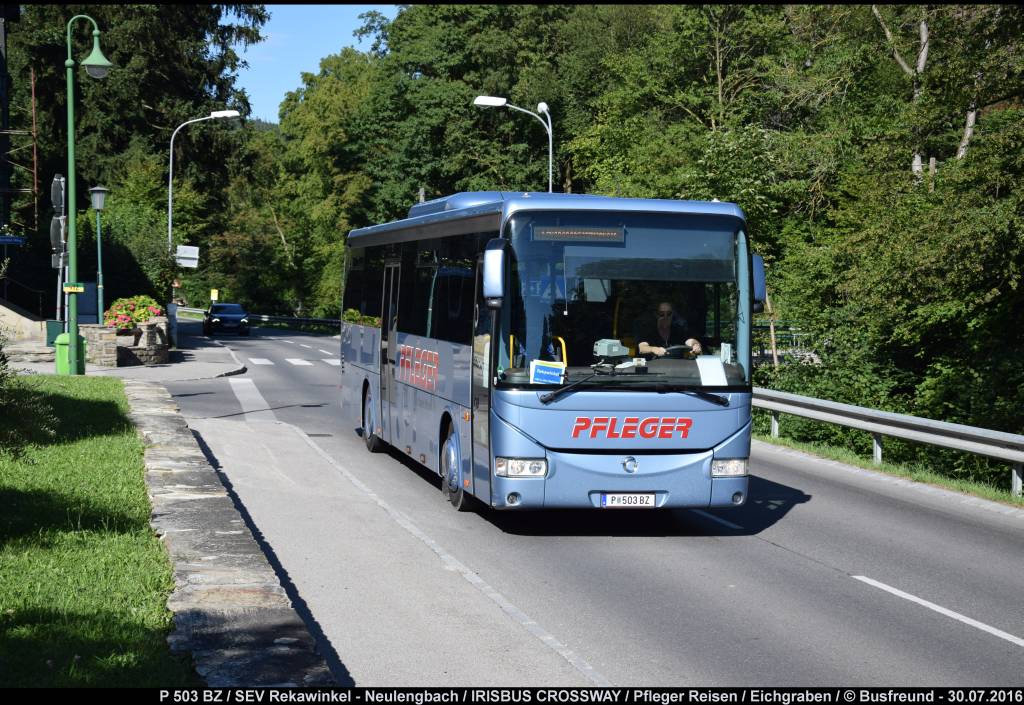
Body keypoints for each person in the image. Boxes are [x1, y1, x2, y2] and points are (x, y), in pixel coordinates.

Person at [635, 301, 702, 358]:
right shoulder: (648, 330)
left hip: (679, 368)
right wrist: (654, 349)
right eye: (661, 314)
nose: (665, 317)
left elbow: (690, 340)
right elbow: (642, 348)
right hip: (653, 368)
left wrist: (695, 345)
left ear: (672, 315)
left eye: (669, 314)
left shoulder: (678, 330)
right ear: (656, 315)